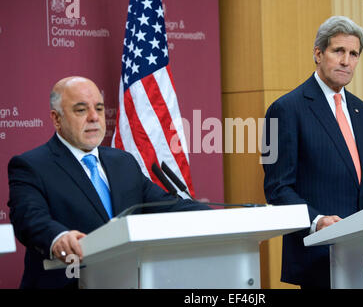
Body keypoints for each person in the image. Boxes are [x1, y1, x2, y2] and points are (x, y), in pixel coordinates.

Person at [7, 76, 210, 289]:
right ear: (57, 119)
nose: (94, 117)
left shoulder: (122, 162)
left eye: (100, 108)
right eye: (81, 110)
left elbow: (168, 205)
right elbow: (29, 217)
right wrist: (58, 237)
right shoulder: (31, 165)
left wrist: (225, 218)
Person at [262, 16, 363, 289]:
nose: (346, 61)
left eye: (353, 54)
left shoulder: (361, 110)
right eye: (338, 51)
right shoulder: (284, 109)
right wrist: (317, 221)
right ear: (318, 54)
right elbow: (277, 187)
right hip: (319, 254)